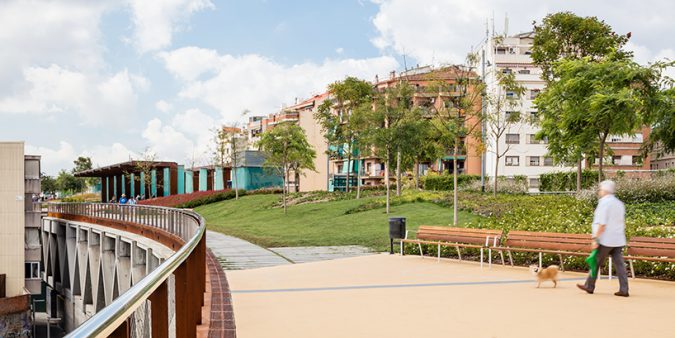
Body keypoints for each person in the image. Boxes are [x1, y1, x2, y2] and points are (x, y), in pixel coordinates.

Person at [577, 180, 629, 297]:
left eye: (600, 189)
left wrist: (595, 239)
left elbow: (602, 223)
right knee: (620, 265)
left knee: (595, 262)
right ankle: (624, 289)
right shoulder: (619, 203)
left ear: (605, 190)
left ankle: (589, 286)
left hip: (606, 239)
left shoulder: (604, 203)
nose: (599, 191)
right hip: (618, 239)